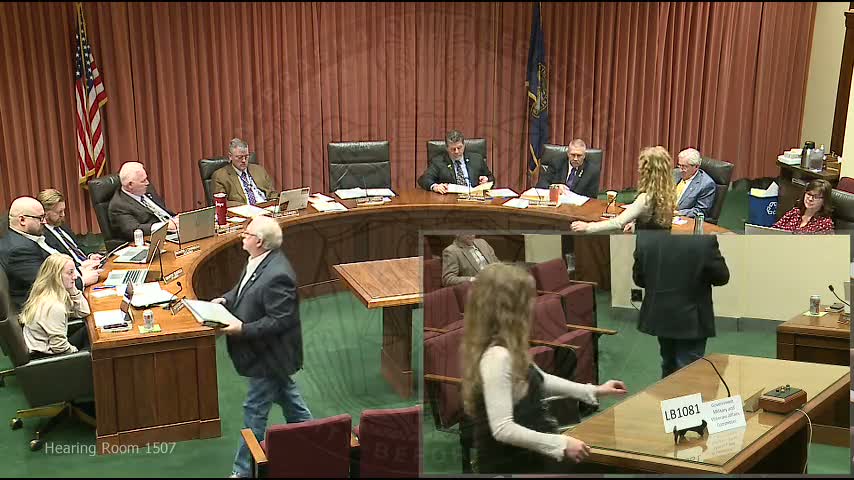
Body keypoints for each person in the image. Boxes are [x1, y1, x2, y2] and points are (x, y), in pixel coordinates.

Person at [461, 263, 627, 474]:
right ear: (509, 309)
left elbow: (541, 379)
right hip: (512, 461)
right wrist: (561, 443)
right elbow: (502, 429)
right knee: (598, 463)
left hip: (531, 448)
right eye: (527, 299)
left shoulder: (508, 346)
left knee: (598, 461)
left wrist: (595, 390)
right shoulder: (497, 357)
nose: (533, 305)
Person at [210, 215, 312, 478]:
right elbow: (242, 290)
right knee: (290, 400)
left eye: (247, 234)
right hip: (267, 354)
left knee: (254, 411)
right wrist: (225, 300)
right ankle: (316, 441)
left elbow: (280, 321)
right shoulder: (257, 261)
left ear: (259, 241)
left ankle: (242, 471)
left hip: (270, 354)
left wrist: (242, 329)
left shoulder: (278, 275)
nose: (242, 236)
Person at [632, 232, 730, 378]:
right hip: (692, 318)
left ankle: (666, 392)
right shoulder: (704, 241)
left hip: (660, 313)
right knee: (689, 371)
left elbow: (639, 279)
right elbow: (722, 277)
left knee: (668, 363)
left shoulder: (645, 238)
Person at [0, 197, 97, 311]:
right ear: (22, 220)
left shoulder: (28, 239)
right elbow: (45, 285)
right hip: (42, 310)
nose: (45, 222)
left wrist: (79, 270)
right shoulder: (18, 250)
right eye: (40, 218)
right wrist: (82, 280)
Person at [571, 146, 676, 234]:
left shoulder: (645, 198)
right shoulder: (669, 193)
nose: (639, 170)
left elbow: (618, 223)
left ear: (647, 171)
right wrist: (635, 224)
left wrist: (588, 227)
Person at [19, 254, 90, 358]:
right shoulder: (53, 306)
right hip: (46, 357)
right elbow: (59, 347)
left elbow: (84, 312)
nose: (75, 277)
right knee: (97, 349)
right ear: (56, 276)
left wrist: (72, 289)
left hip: (46, 347)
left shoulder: (46, 293)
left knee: (88, 331)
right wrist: (77, 352)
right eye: (70, 273)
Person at [108, 161, 178, 242]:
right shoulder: (118, 205)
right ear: (130, 185)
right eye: (143, 181)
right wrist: (165, 226)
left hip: (175, 230)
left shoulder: (147, 189)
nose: (147, 183)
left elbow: (162, 210)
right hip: (157, 239)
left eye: (146, 178)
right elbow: (133, 229)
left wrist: (176, 218)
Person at [37, 189, 104, 268]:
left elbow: (77, 246)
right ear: (45, 213)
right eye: (59, 212)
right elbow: (59, 264)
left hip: (88, 265)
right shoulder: (43, 235)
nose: (63, 215)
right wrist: (81, 265)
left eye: (63, 210)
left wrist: (90, 256)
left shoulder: (61, 225)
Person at [418, 130, 494, 194]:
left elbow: (491, 177)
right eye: (453, 149)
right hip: (451, 200)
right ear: (447, 148)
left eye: (459, 148)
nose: (456, 151)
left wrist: (486, 179)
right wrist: (435, 186)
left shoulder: (476, 159)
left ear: (464, 145)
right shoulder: (438, 162)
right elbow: (424, 179)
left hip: (474, 198)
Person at [211, 138, 278, 207]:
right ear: (230, 156)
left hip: (267, 208)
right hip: (243, 210)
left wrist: (277, 203)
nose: (243, 160)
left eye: (246, 156)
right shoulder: (220, 176)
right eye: (239, 157)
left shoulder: (259, 170)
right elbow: (222, 202)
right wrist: (248, 207)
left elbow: (272, 193)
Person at [536, 139, 600, 199]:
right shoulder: (556, 162)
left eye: (579, 155)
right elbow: (541, 184)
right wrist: (555, 188)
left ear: (584, 156)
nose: (575, 159)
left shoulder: (592, 171)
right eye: (573, 155)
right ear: (568, 154)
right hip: (557, 201)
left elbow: (592, 197)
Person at [673, 148, 716, 218]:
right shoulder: (675, 173)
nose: (680, 170)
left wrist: (677, 213)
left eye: (684, 167)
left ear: (696, 166)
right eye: (679, 165)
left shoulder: (706, 184)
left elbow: (700, 211)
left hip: (682, 218)